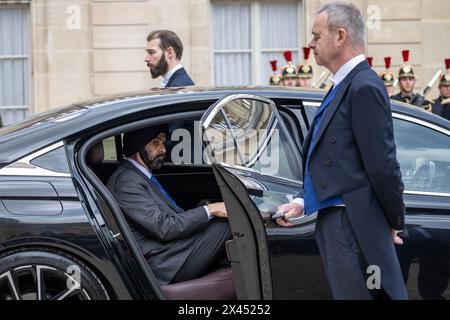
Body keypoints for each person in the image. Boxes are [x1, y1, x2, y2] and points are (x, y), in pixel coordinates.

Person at [276, 1, 408, 300]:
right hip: (338, 218)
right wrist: (302, 199)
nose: (309, 43)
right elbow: (338, 160)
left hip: (354, 223)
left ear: (340, 36)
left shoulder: (364, 86)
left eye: (316, 35)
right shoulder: (344, 84)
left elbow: (382, 165)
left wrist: (393, 221)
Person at [106, 125, 231, 285]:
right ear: (138, 147)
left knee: (224, 219)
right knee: (229, 224)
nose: (163, 149)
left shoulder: (139, 176)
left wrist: (206, 208)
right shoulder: (126, 182)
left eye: (163, 144)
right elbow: (164, 227)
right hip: (165, 262)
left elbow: (170, 217)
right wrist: (211, 210)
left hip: (172, 250)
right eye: (156, 143)